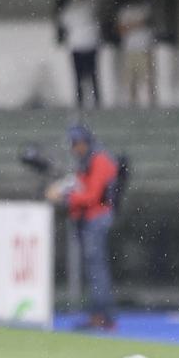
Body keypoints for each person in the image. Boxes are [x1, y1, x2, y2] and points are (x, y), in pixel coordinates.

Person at [46, 124, 117, 330]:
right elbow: (79, 184)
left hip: (96, 218)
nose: (74, 149)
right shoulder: (89, 160)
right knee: (95, 270)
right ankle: (100, 314)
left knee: (97, 270)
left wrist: (66, 198)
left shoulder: (100, 161)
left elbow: (92, 196)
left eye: (76, 144)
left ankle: (103, 316)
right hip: (90, 218)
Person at [59, 0, 102, 108]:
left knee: (81, 76)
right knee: (91, 74)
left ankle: (83, 102)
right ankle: (93, 101)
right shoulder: (91, 3)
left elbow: (64, 21)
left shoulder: (75, 4)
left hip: (80, 43)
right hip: (87, 42)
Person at [118, 0, 156, 106]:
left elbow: (149, 24)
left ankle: (150, 103)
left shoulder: (146, 9)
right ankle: (133, 104)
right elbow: (121, 29)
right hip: (130, 49)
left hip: (144, 48)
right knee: (130, 79)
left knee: (147, 79)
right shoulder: (125, 11)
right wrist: (136, 24)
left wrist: (132, 25)